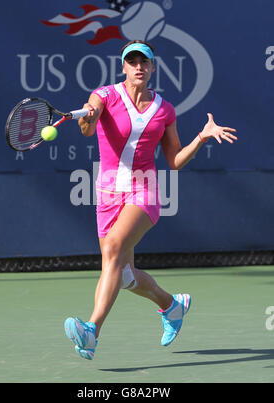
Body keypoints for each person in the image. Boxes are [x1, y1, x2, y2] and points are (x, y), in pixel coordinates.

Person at [64, 40, 237, 360]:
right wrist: (88, 116)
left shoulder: (165, 110)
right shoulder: (104, 95)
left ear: (153, 67)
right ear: (124, 67)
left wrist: (201, 137)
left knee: (114, 249)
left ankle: (91, 331)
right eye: (132, 61)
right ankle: (172, 306)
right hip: (106, 194)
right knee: (124, 274)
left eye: (144, 61)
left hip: (144, 192)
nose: (139, 66)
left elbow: (174, 161)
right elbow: (89, 128)